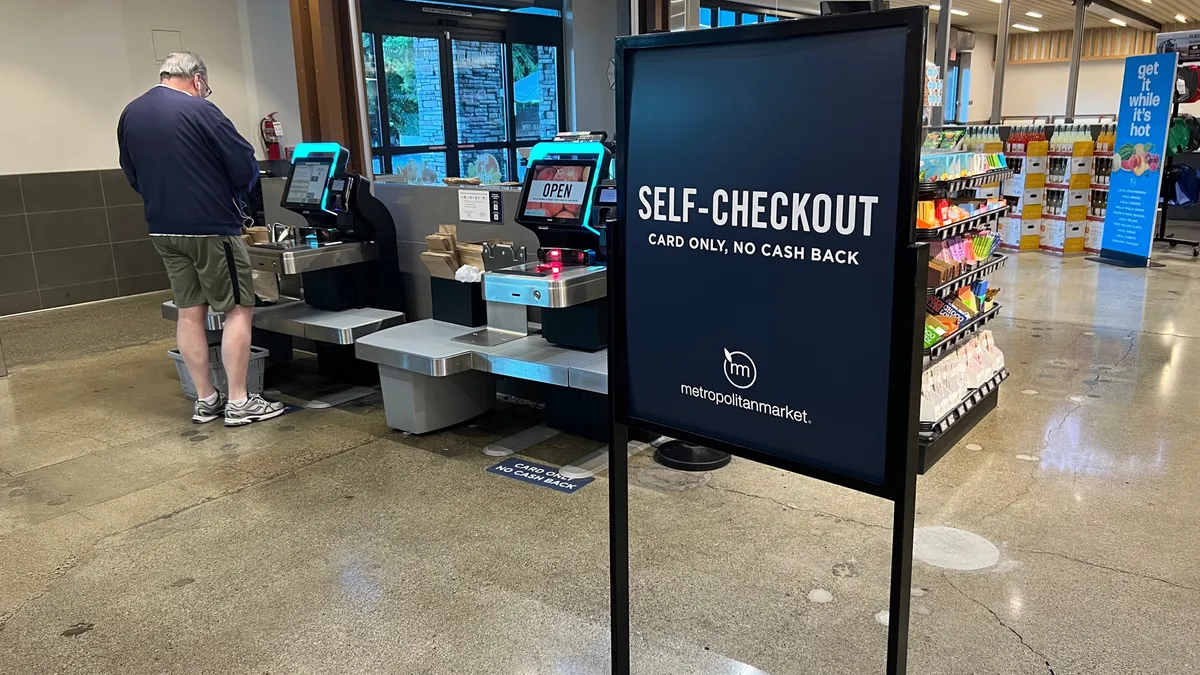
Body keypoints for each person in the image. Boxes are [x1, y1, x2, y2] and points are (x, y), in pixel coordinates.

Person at [117, 51, 285, 427]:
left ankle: (206, 400)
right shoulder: (202, 111)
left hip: (162, 227)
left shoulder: (131, 113)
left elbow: (130, 171)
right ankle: (240, 402)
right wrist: (237, 196)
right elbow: (244, 164)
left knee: (189, 310)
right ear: (197, 79)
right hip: (210, 227)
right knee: (238, 308)